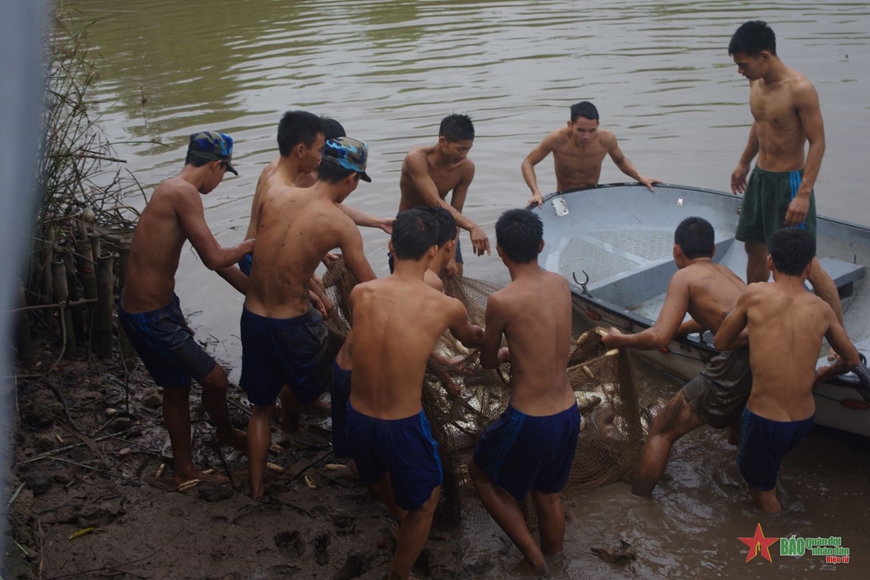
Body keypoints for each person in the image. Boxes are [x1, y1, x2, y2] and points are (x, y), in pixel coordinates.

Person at [346, 208, 483, 580]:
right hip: (400, 425)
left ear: (390, 244)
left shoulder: (361, 293)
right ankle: (399, 575)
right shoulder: (445, 305)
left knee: (380, 478)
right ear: (434, 251)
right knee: (427, 502)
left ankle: (401, 528)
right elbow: (473, 338)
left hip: (356, 418)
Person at [240, 137, 377, 498]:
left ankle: (254, 489)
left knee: (260, 408)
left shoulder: (276, 193)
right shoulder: (340, 223)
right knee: (345, 377)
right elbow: (371, 287)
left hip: (253, 317)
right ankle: (356, 462)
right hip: (293, 324)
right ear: (350, 179)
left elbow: (263, 253)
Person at [119, 131, 253, 485]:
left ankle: (183, 470)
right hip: (150, 316)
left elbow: (218, 261)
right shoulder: (184, 192)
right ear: (216, 165)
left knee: (176, 387)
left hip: (154, 308)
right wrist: (255, 243)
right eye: (224, 173)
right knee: (216, 379)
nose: (221, 180)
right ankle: (225, 434)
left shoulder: (171, 189)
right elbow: (215, 258)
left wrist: (253, 292)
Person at [601, 217, 752, 498]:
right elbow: (708, 321)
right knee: (738, 424)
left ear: (676, 251)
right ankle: (749, 489)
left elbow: (657, 337)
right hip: (765, 357)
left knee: (661, 429)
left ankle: (639, 504)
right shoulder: (727, 273)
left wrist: (618, 340)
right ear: (714, 250)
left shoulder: (683, 277)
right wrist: (670, 331)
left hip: (739, 361)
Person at [714, 227, 860, 513]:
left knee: (762, 493)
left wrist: (757, 332)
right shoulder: (821, 309)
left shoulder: (755, 294)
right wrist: (823, 374)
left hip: (766, 421)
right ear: (808, 268)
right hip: (803, 421)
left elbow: (721, 341)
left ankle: (780, 548)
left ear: (770, 263)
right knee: (759, 460)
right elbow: (851, 359)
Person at [468, 208, 580, 577]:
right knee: (548, 494)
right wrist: (511, 350)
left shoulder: (502, 301)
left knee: (482, 476)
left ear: (499, 251)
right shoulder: (561, 283)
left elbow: (487, 362)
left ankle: (534, 561)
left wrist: (498, 351)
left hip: (530, 419)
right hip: (568, 412)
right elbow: (541, 340)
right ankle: (554, 558)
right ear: (542, 244)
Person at [728, 20, 844, 355]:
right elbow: (760, 124)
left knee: (808, 263)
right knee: (754, 249)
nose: (740, 71)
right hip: (761, 179)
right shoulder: (757, 85)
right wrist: (743, 162)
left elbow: (818, 142)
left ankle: (838, 339)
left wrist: (804, 193)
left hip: (789, 182)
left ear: (764, 56)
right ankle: (753, 315)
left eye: (743, 64)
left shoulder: (800, 89)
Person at [331, 206, 461, 458]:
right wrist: (447, 372)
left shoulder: (391, 282)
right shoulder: (431, 282)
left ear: (395, 246)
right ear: (447, 246)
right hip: (363, 377)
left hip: (341, 370)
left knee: (360, 449)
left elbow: (397, 336)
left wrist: (443, 362)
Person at [398, 113, 491, 277]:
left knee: (455, 273)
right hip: (411, 224)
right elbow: (434, 201)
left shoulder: (466, 168)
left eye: (468, 149)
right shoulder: (417, 159)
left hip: (442, 223)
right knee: (410, 280)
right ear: (443, 141)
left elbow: (456, 211)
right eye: (460, 149)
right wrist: (472, 226)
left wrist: (452, 255)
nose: (464, 155)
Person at [523, 101, 659, 208]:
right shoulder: (556, 139)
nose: (586, 136)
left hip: (591, 195)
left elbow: (620, 160)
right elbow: (528, 163)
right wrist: (536, 192)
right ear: (570, 125)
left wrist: (640, 176)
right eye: (581, 130)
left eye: (592, 130)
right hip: (564, 197)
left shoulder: (606, 138)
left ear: (598, 125)